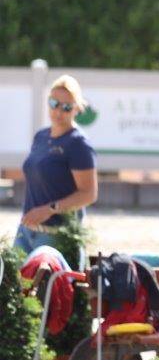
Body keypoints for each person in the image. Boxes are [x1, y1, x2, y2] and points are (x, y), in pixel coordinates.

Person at [16, 75, 98, 255]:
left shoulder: (78, 143)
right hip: (25, 231)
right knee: (12, 274)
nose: (59, 111)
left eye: (66, 107)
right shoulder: (41, 136)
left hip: (57, 236)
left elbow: (89, 194)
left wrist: (49, 210)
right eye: (54, 103)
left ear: (77, 108)